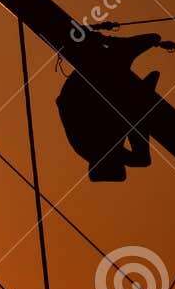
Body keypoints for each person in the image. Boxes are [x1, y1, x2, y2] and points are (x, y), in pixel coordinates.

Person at [56, 31, 161, 183]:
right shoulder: (98, 149)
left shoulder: (92, 145)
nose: (122, 160)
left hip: (93, 86)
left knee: (150, 39)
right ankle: (140, 93)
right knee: (151, 39)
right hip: (97, 89)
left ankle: (140, 93)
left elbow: (132, 122)